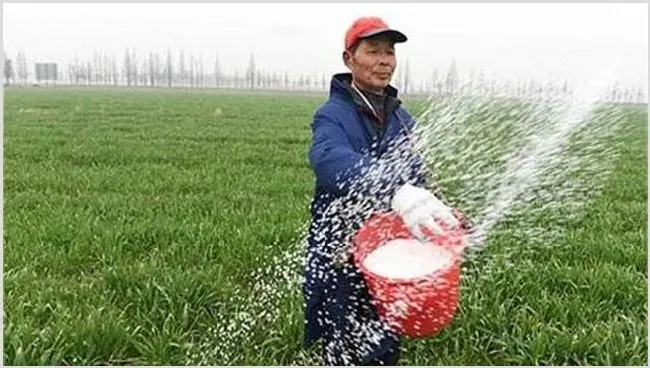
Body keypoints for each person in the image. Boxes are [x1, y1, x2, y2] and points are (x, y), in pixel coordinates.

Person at [302, 16, 472, 366]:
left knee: (385, 342)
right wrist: (395, 190)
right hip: (342, 254)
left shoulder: (401, 119)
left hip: (389, 253)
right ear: (349, 59)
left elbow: (417, 179)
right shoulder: (332, 115)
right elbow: (329, 158)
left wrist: (444, 212)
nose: (385, 60)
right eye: (373, 51)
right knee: (348, 347)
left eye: (390, 52)